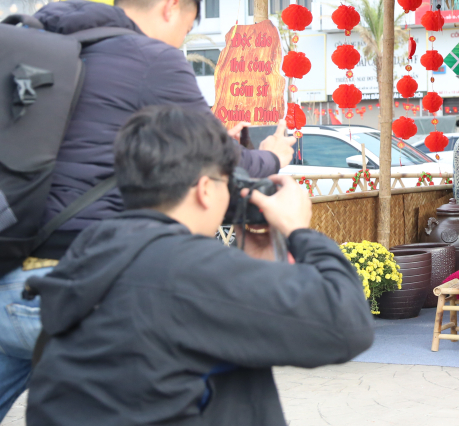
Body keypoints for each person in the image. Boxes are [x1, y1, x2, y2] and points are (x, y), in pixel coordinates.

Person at [0, 0, 295, 417]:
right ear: (170, 6)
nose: (184, 39)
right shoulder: (152, 59)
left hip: (9, 275)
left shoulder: (43, 41)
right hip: (81, 289)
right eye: (189, 26)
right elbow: (218, 156)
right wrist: (276, 154)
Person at [24, 105, 373, 425]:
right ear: (205, 189)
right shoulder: (180, 268)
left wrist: (254, 261)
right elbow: (347, 325)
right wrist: (298, 228)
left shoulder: (94, 253)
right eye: (228, 182)